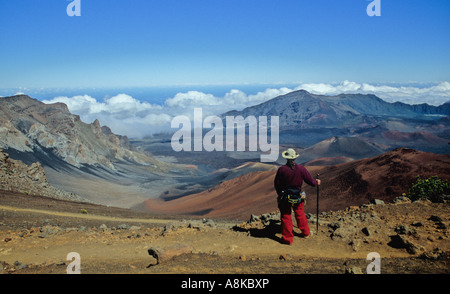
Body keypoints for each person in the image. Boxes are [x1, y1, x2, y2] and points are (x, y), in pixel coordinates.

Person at [274, 148, 321, 245]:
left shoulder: (281, 170)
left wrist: (280, 195)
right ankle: (306, 233)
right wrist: (317, 182)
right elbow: (311, 182)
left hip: (285, 198)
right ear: (295, 158)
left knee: (286, 216)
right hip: (297, 196)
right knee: (300, 214)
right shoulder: (301, 169)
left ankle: (288, 239)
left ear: (286, 158)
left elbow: (277, 184)